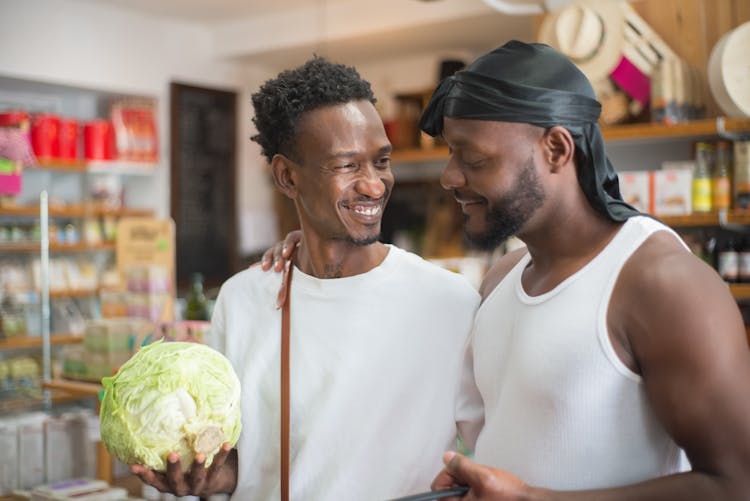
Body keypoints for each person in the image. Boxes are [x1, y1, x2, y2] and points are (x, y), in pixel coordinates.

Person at [268, 41, 750, 499]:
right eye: (452, 155)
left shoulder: (662, 282)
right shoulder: (501, 279)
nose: (450, 177)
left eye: (473, 158)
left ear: (557, 150)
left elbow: (736, 484)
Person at [132, 57, 481, 500]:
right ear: (286, 176)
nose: (374, 185)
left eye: (381, 161)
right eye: (347, 166)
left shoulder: (448, 303)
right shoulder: (242, 300)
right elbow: (247, 457)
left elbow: (495, 456)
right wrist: (209, 477)